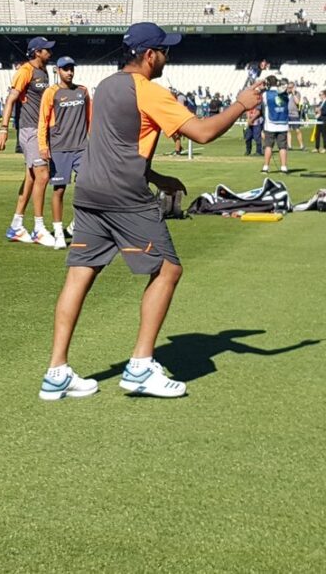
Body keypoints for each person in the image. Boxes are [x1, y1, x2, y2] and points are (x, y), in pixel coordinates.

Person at [39, 23, 264, 400]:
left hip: (91, 190)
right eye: (164, 51)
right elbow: (204, 132)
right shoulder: (149, 91)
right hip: (124, 194)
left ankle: (56, 372)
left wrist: (157, 176)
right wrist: (241, 104)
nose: (167, 56)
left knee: (79, 275)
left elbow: (116, 145)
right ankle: (141, 367)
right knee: (168, 269)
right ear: (149, 55)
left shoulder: (107, 85)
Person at [0, 36, 57, 247]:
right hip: (29, 128)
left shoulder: (44, 71)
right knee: (43, 174)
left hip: (40, 129)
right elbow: (11, 99)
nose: (50, 53)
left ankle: (16, 225)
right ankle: (39, 228)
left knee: (31, 177)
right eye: (46, 50)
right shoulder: (25, 71)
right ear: (37, 52)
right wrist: (4, 128)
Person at [37, 56, 91, 250]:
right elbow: (43, 121)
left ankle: (77, 225)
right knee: (59, 190)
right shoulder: (51, 93)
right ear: (58, 71)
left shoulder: (83, 92)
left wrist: (93, 143)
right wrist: (43, 146)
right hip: (59, 148)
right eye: (65, 69)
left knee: (88, 186)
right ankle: (59, 232)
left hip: (82, 148)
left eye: (71, 68)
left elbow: (90, 120)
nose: (69, 72)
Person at [260, 76, 290, 174]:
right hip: (283, 123)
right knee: (282, 147)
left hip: (270, 124)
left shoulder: (266, 94)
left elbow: (262, 105)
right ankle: (284, 167)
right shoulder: (285, 94)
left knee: (268, 146)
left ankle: (266, 167)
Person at [312, 88, 326, 154]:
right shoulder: (320, 103)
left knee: (324, 134)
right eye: (319, 95)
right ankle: (317, 147)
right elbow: (317, 111)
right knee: (317, 134)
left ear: (324, 95)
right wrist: (316, 111)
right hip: (319, 120)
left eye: (321, 94)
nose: (320, 96)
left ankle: (325, 148)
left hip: (324, 120)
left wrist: (320, 112)